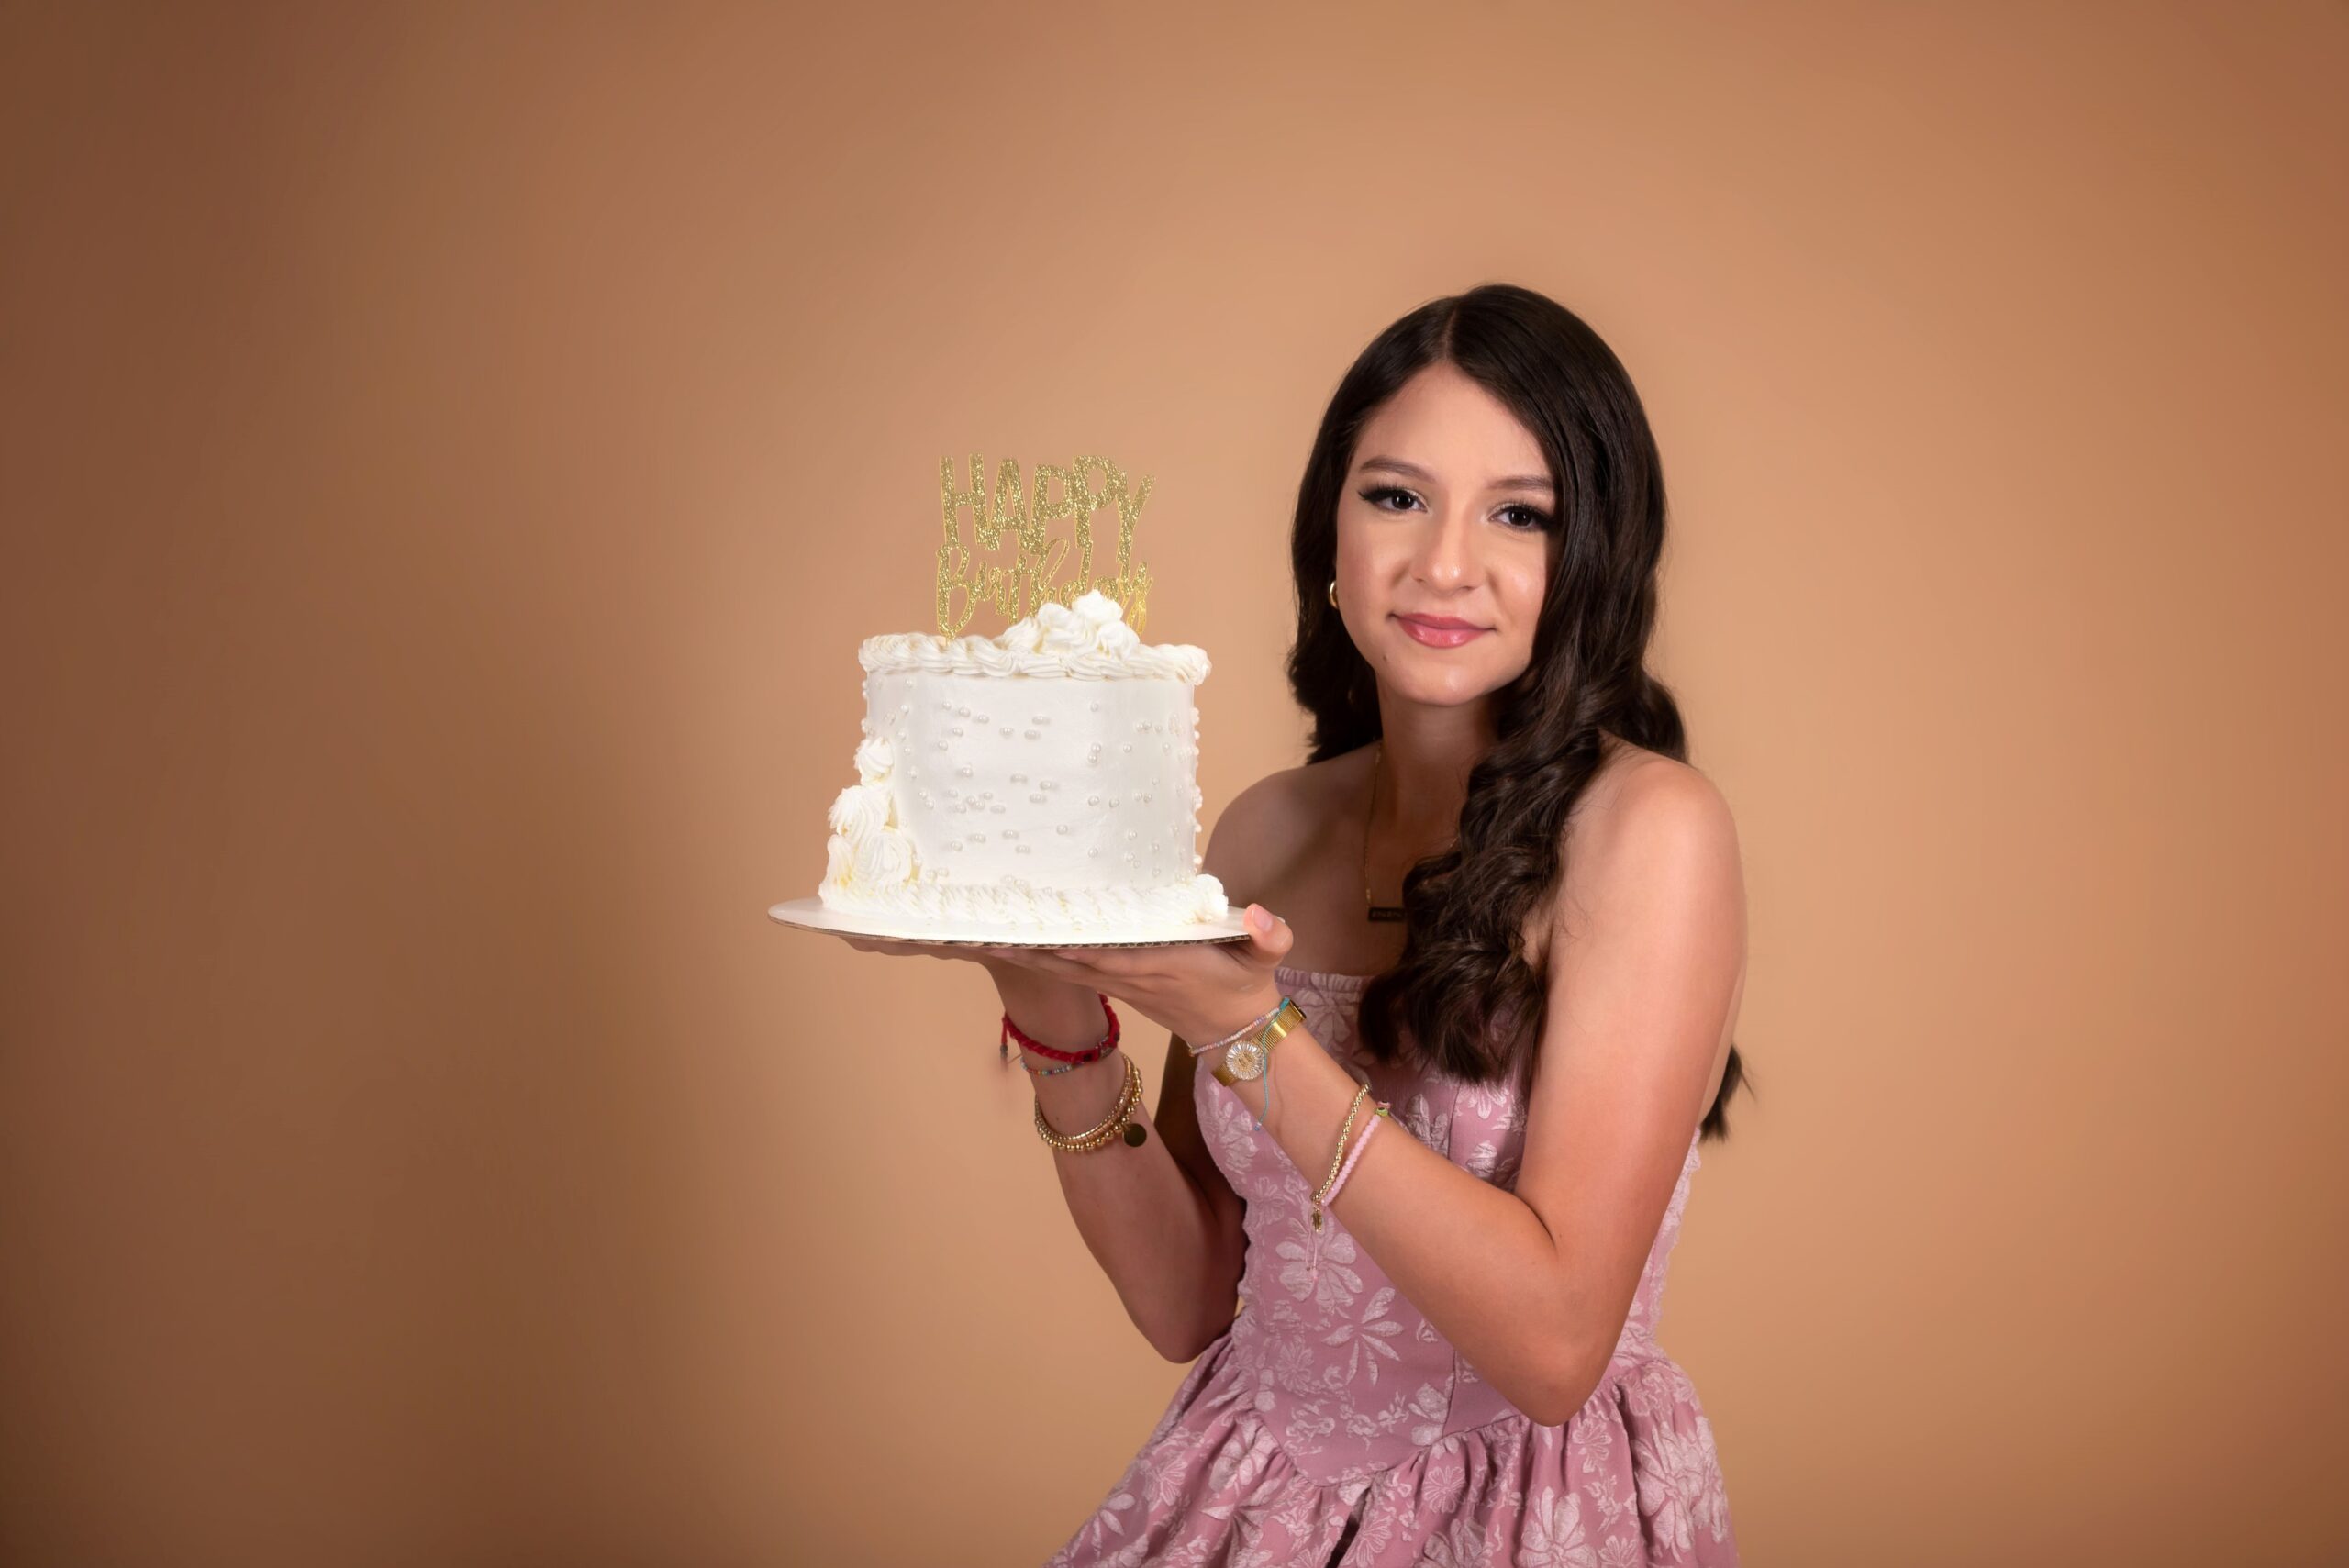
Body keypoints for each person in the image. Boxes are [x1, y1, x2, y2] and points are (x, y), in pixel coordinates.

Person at [851, 282, 1750, 1566]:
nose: (1444, 563)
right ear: (1330, 528)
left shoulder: (1650, 831)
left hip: (1525, 1508)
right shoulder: (1267, 829)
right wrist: (1050, 1004)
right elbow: (1185, 1299)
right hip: (1254, 1491)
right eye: (1396, 496)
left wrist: (1251, 1033)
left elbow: (1555, 1348)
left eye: (1519, 513)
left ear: (1594, 556)